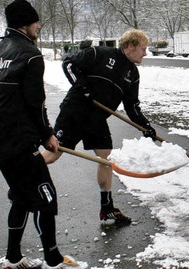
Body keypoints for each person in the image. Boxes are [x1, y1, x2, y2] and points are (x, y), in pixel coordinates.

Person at [0, 0, 87, 268]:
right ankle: (54, 260)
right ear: (25, 23)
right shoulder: (29, 54)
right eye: (36, 22)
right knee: (45, 196)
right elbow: (36, 101)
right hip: (18, 141)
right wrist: (47, 135)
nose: (39, 25)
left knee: (22, 195)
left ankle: (13, 258)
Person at [42, 28, 156, 226]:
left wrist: (145, 126)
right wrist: (81, 87)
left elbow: (132, 106)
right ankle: (21, 178)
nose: (145, 53)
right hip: (75, 112)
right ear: (130, 46)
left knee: (106, 158)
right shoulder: (99, 54)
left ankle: (107, 208)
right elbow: (69, 64)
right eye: (143, 49)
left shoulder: (133, 74)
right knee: (53, 154)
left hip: (97, 120)